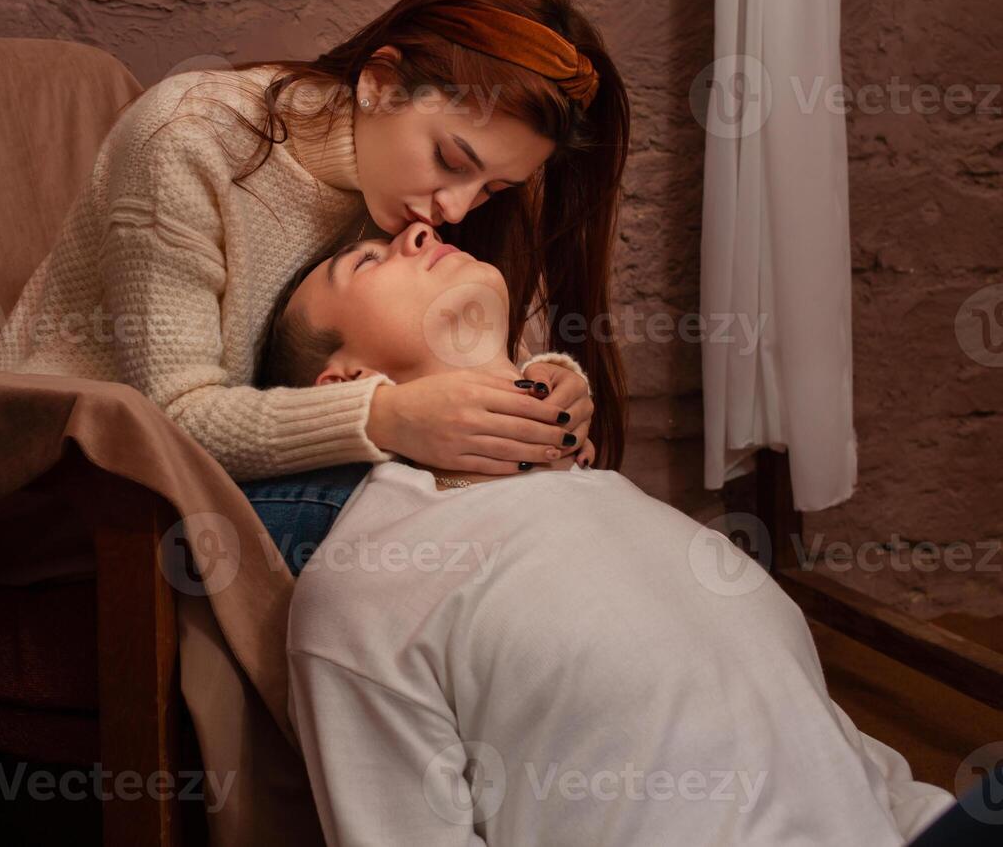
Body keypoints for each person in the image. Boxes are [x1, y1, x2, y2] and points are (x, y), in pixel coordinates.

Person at [269, 226, 964, 845]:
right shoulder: (369, 584)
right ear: (349, 381)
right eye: (365, 262)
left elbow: (842, 762)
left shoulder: (620, 506)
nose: (418, 232)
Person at [0, 0, 629, 554]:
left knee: (500, 488)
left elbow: (460, 350)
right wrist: (386, 417)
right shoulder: (188, 139)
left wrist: (541, 392)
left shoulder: (417, 197)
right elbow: (172, 422)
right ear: (378, 83)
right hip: (89, 485)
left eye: (492, 188)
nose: (458, 210)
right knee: (416, 508)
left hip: (253, 468)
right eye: (451, 162)